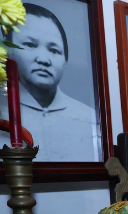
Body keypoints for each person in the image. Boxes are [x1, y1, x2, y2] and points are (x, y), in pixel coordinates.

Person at [1, 3, 97, 161]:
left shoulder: (88, 117)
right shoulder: (2, 113)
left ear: (65, 60)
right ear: (10, 51)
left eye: (54, 50)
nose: (44, 60)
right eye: (30, 45)